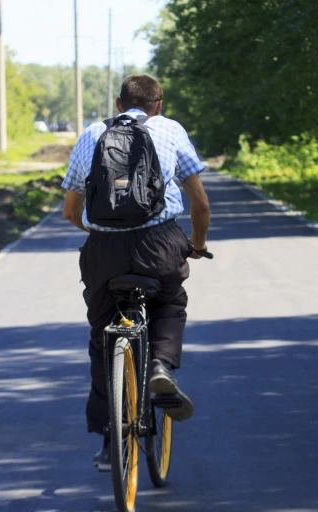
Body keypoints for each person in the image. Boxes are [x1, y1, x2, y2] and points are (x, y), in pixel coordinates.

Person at [61, 74, 211, 471]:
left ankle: (112, 442)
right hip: (160, 244)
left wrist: (102, 234)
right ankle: (160, 365)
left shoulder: (93, 134)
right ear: (159, 104)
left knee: (102, 338)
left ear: (117, 103)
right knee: (170, 302)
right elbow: (200, 203)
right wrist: (196, 244)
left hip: (104, 253)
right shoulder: (171, 130)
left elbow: (71, 212)